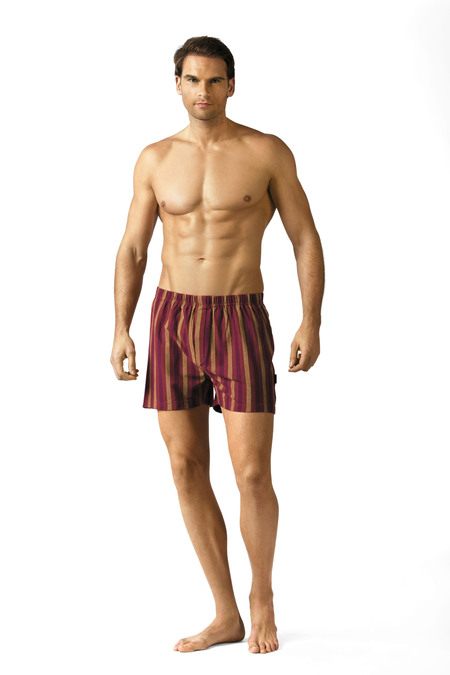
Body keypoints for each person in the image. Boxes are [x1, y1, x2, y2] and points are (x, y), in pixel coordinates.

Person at [110, 35, 325, 654]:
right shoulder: (154, 159)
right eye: (192, 79)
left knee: (252, 473)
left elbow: (305, 237)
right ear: (176, 84)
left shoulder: (266, 152)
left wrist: (311, 320)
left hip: (239, 316)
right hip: (172, 319)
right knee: (184, 467)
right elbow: (133, 248)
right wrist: (121, 327)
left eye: (213, 80)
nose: (202, 91)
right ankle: (225, 612)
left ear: (231, 85)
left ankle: (262, 598)